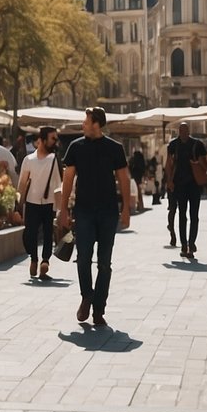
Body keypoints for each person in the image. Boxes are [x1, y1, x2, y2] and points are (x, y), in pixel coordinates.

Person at [58, 107, 130, 328]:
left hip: (108, 212)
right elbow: (68, 180)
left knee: (105, 264)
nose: (83, 125)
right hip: (84, 211)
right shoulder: (75, 147)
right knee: (83, 258)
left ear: (96, 124)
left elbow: (124, 179)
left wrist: (126, 208)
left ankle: (99, 309)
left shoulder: (114, 148)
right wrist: (63, 210)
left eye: (86, 121)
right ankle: (87, 296)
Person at [17, 125, 61, 280]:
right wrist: (18, 205)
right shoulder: (29, 160)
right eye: (53, 138)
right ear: (42, 140)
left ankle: (44, 261)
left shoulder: (54, 160)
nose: (55, 141)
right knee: (30, 234)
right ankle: (34, 259)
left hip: (49, 204)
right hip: (31, 202)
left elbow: (58, 185)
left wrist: (60, 209)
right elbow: (22, 184)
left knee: (48, 234)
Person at [164, 121, 207, 258]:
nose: (183, 133)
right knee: (184, 215)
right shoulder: (173, 145)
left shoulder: (197, 144)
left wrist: (196, 163)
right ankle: (185, 244)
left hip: (193, 185)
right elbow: (169, 163)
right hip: (180, 185)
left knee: (192, 215)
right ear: (180, 131)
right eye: (181, 131)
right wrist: (169, 181)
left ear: (188, 131)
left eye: (185, 131)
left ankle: (190, 243)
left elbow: (205, 164)